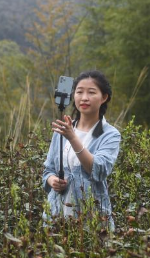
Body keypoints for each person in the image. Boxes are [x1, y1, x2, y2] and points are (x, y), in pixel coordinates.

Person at [42, 70, 121, 230]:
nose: (84, 98)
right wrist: (53, 181)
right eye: (79, 92)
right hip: (56, 217)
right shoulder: (63, 130)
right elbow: (48, 170)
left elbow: (99, 169)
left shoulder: (109, 134)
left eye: (91, 92)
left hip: (91, 220)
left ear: (104, 97)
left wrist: (73, 138)